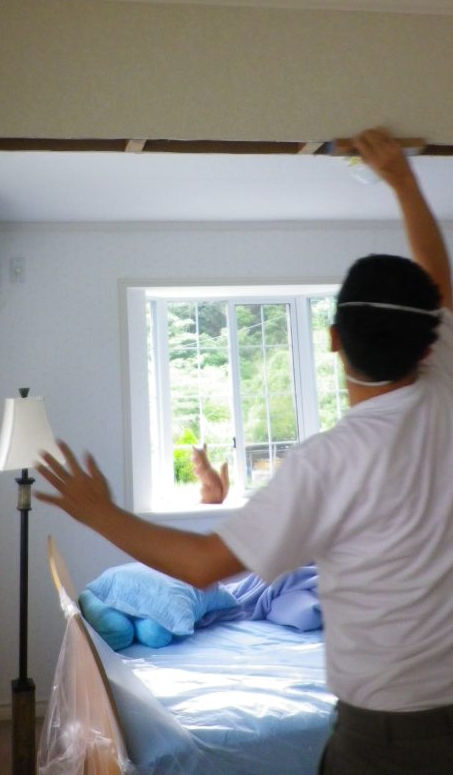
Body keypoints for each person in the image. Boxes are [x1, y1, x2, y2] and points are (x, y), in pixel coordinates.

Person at [35, 127, 453, 775]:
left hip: (388, 734)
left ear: (332, 339)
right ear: (429, 344)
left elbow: (204, 564)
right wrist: (403, 179)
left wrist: (99, 512)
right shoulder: (444, 385)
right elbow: (439, 286)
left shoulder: (328, 461)